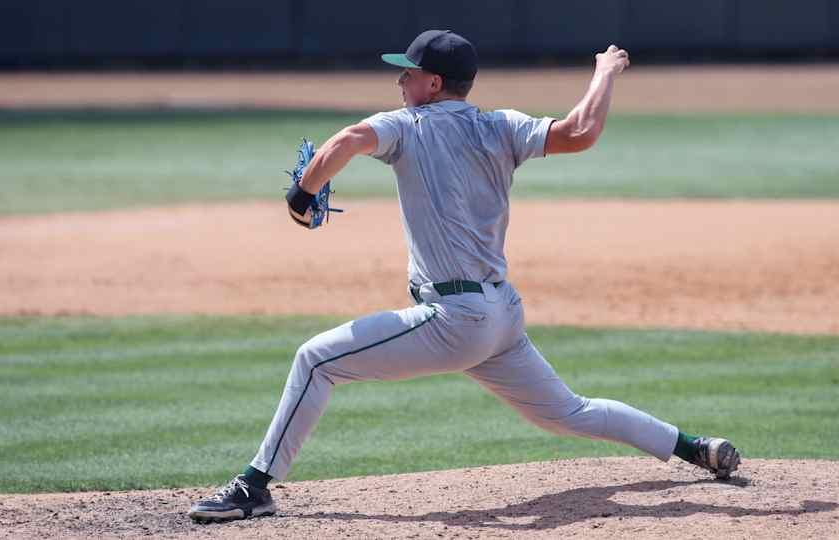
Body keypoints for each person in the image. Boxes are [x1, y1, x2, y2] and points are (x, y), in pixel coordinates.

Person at [188, 29, 740, 523]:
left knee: (316, 360)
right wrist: (604, 71)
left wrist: (301, 195)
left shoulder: (405, 125)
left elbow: (346, 141)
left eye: (407, 72)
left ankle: (253, 487)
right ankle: (697, 448)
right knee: (570, 411)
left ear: (432, 82)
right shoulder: (502, 125)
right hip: (501, 316)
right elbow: (580, 132)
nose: (399, 81)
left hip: (454, 320)